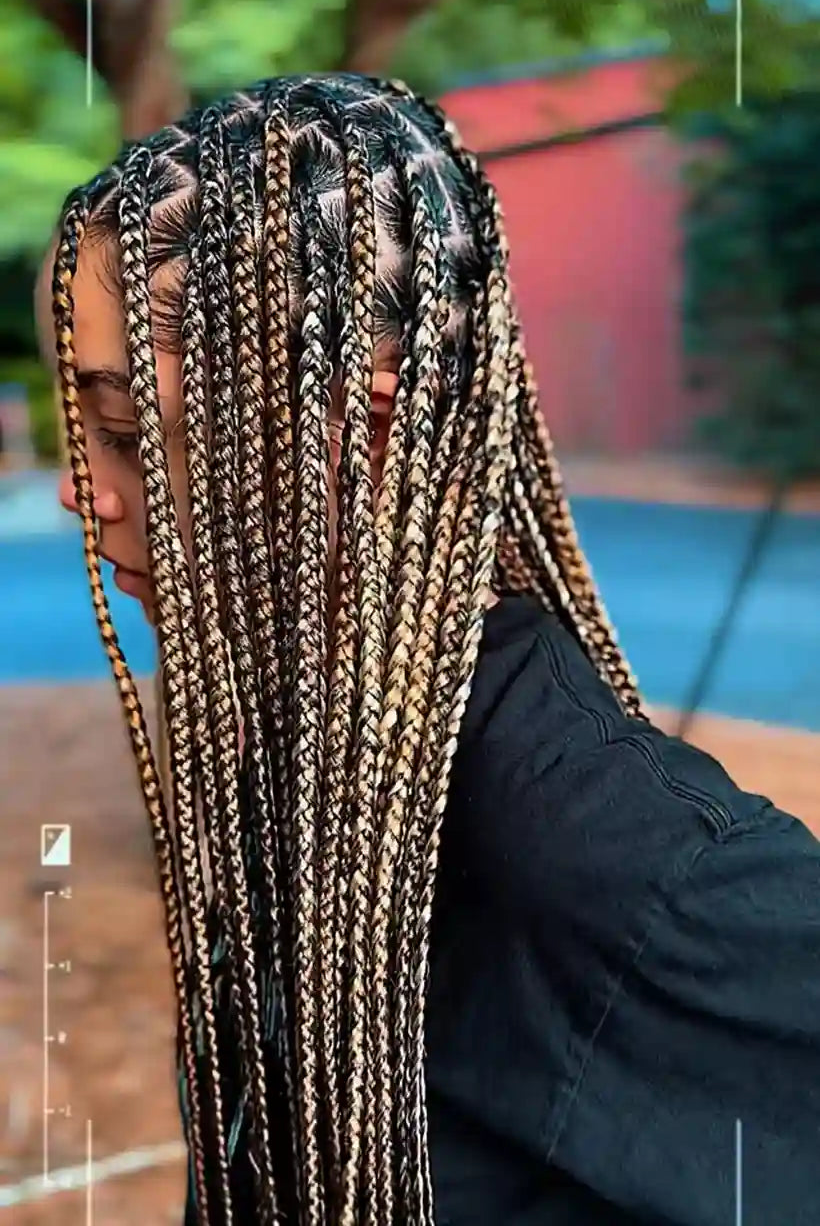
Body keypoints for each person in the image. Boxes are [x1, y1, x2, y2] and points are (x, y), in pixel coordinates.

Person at [37, 73, 820, 1226]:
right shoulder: (318, 740)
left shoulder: (611, 854)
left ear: (365, 425)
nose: (79, 489)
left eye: (122, 427)